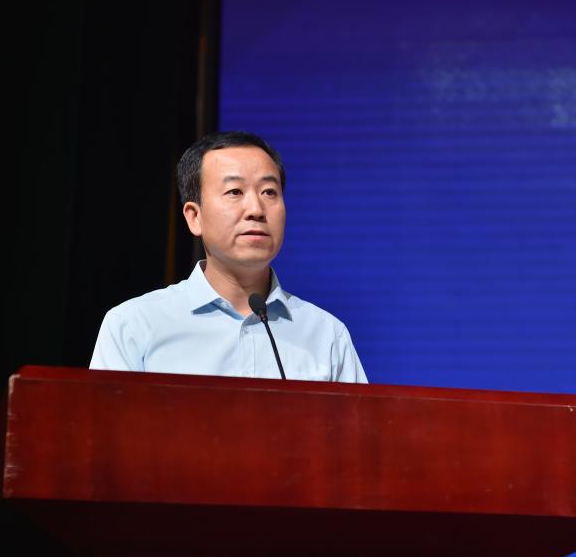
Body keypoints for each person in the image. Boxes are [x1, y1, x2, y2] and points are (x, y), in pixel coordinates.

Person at [89, 131, 367, 383]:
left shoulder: (326, 335)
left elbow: (359, 425)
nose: (256, 209)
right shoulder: (134, 326)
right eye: (235, 191)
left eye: (269, 192)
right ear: (194, 217)